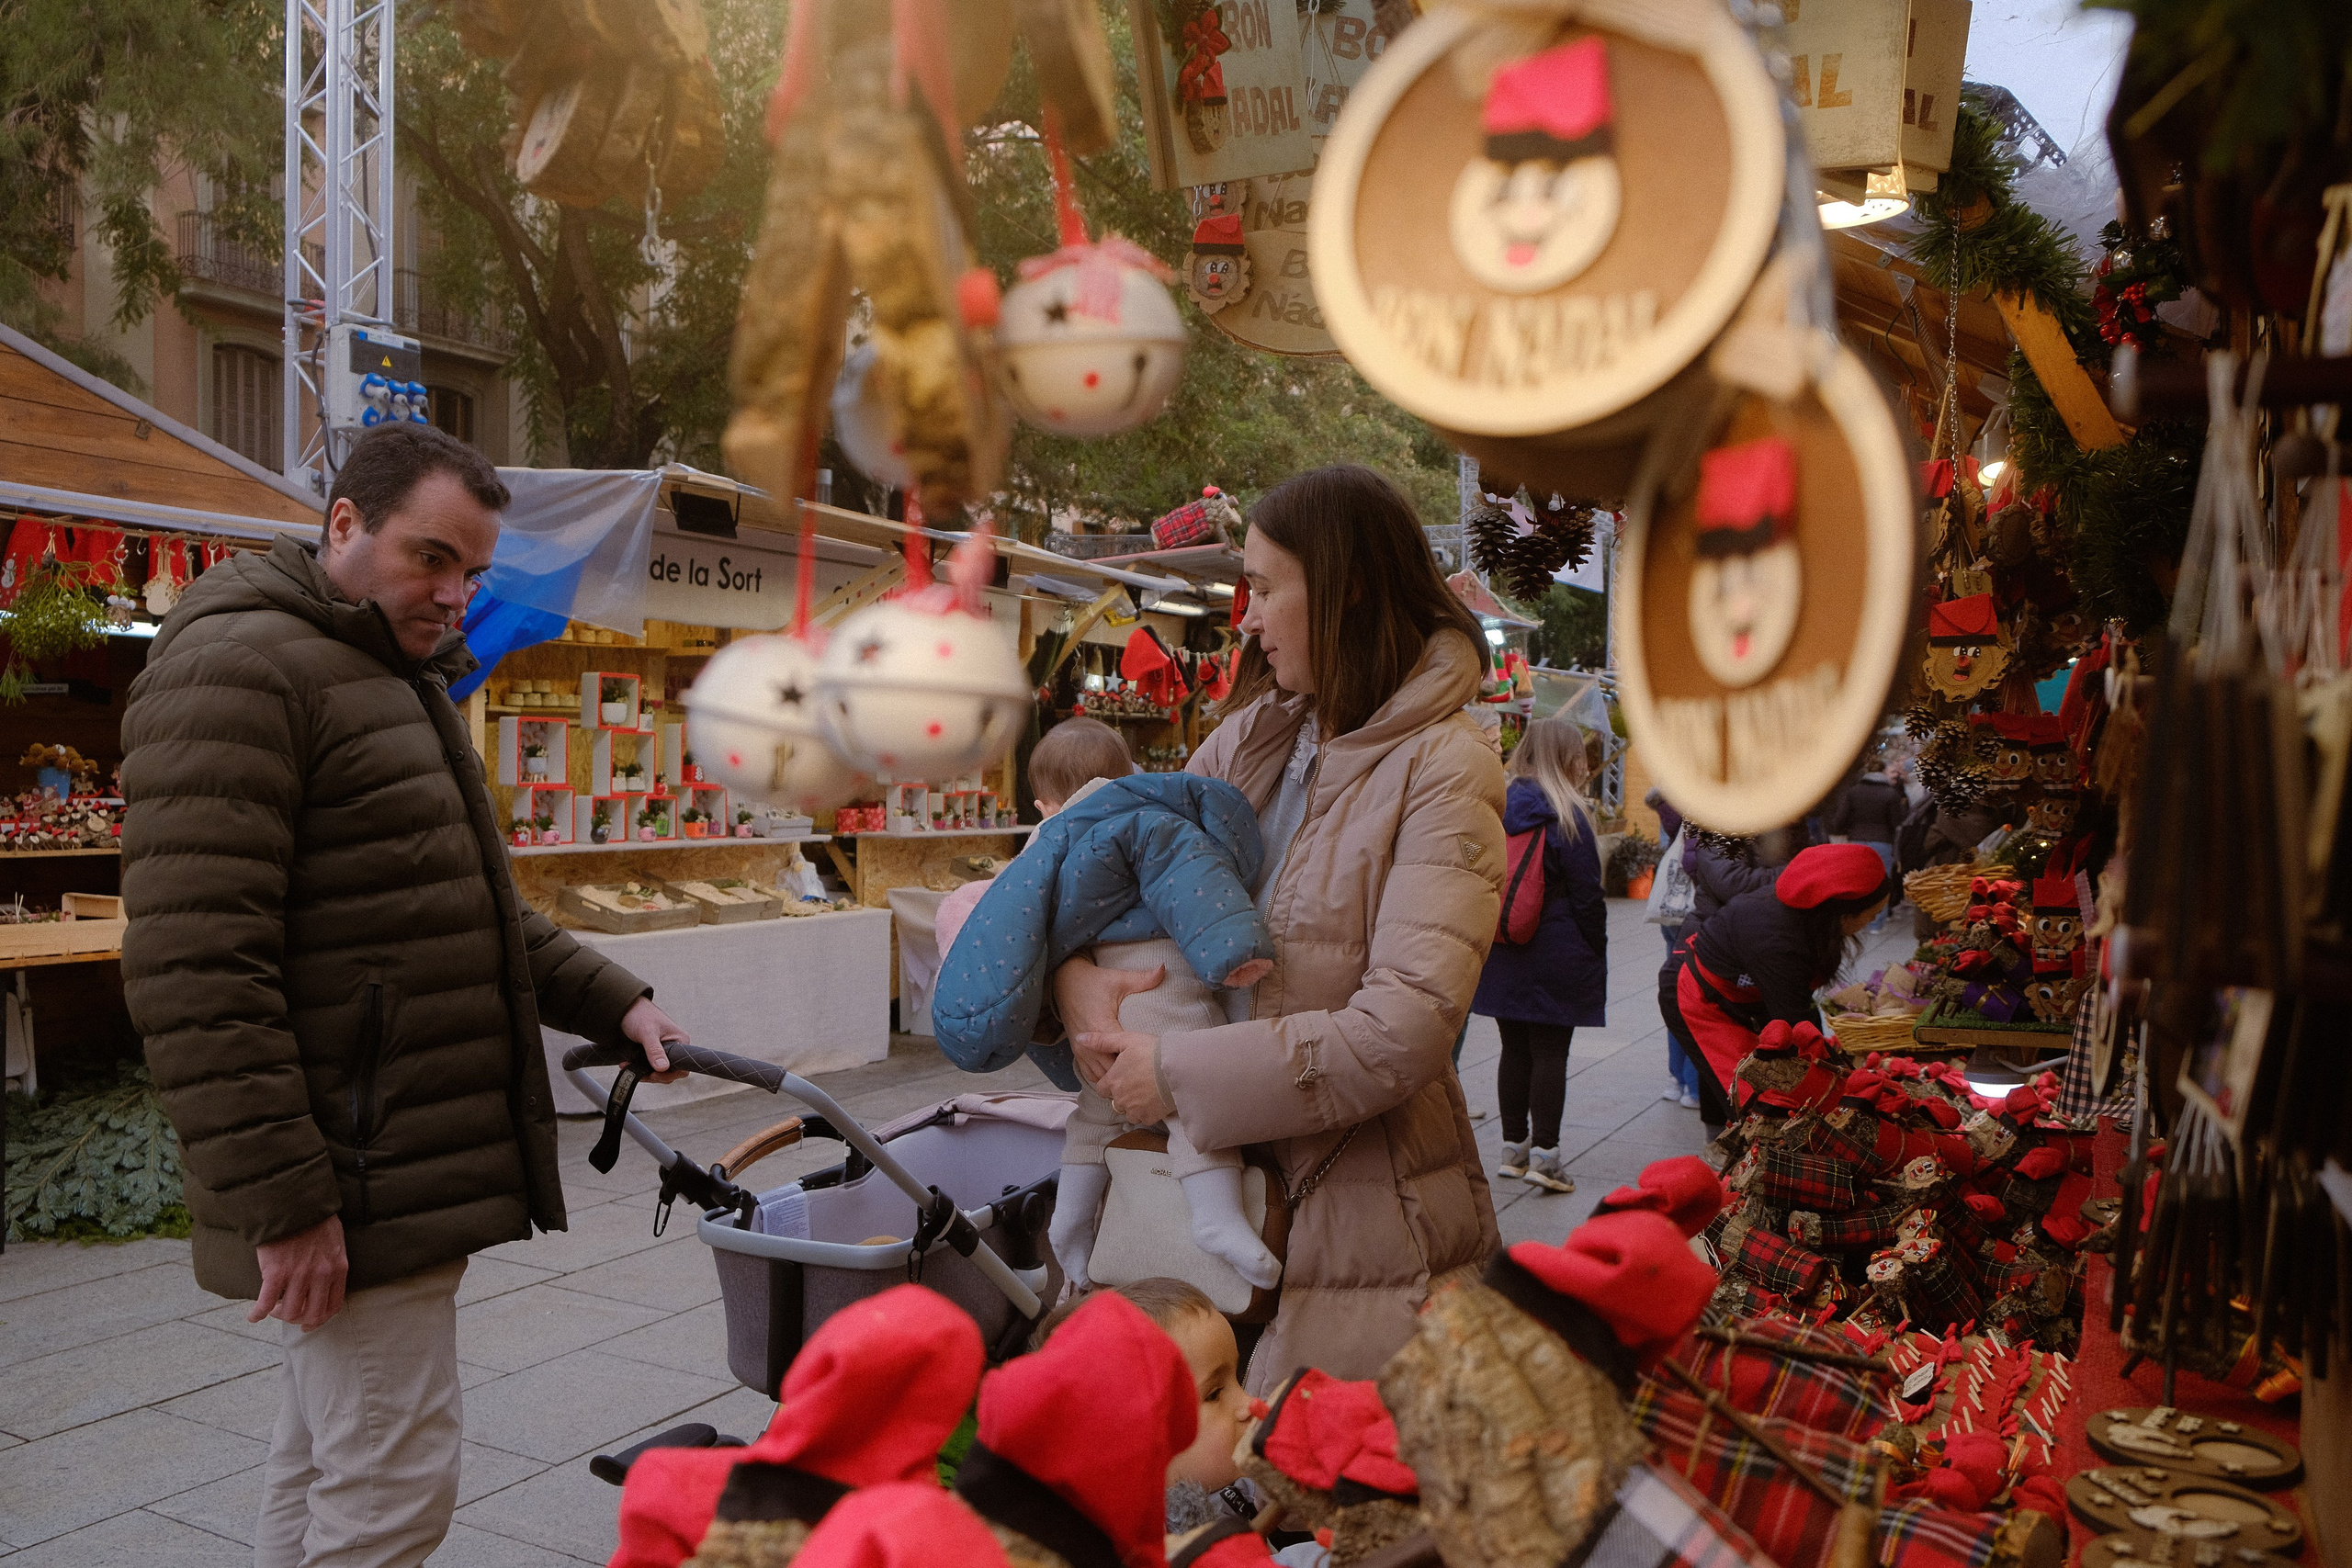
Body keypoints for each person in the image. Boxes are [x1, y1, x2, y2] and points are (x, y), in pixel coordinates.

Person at [119, 423, 692, 1568]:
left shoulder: (375, 670)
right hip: (353, 1175)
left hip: (380, 1166)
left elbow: (461, 904)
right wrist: (288, 1203)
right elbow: (196, 971)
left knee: (327, 1466)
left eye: (471, 570)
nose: (453, 593)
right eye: (431, 558)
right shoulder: (249, 668)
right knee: (390, 1491)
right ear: (345, 524)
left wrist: (613, 1001)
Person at [1055, 463, 1507, 1392]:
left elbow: (1406, 1028)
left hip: (1362, 1211)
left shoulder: (1446, 764)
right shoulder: (1248, 738)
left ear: (1345, 589)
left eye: (1263, 589)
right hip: (1196, 1184)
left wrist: (1174, 1072)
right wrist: (1077, 983)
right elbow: (1118, 888)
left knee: (1315, 1458)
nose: (1247, 619)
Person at [929, 716, 1279, 1292]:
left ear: (1043, 805)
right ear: (1127, 774)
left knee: (1094, 1116)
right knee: (1190, 1101)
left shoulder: (1042, 848)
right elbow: (1190, 877)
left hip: (1089, 1019)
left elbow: (1013, 924)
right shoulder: (1139, 819)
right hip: (1156, 982)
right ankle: (1216, 1216)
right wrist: (1231, 950)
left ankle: (1069, 1225)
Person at [1470, 715, 1605, 1195]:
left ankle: (1513, 1150)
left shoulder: (1497, 806)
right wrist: (1595, 947)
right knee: (1550, 1052)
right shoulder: (1568, 815)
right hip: (1556, 950)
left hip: (1504, 947)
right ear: (1569, 759)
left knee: (1514, 1049)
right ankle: (1546, 1157)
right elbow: (1588, 896)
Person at [1673, 843, 1889, 1113]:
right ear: (1843, 915)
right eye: (1872, 915)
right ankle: (1722, 1137)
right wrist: (1842, 1078)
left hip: (1749, 995)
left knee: (1767, 1083)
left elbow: (1797, 1007)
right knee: (1750, 1097)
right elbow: (1798, 1022)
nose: (1871, 923)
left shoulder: (1806, 919)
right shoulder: (1776, 940)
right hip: (1703, 999)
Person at [1826, 756, 1907, 931]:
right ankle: (1876, 923)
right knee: (1881, 882)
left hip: (1856, 841)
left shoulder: (1853, 792)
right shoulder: (1890, 793)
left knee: (1856, 882)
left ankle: (1856, 919)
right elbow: (1897, 822)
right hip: (1882, 842)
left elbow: (1840, 820)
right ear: (1883, 772)